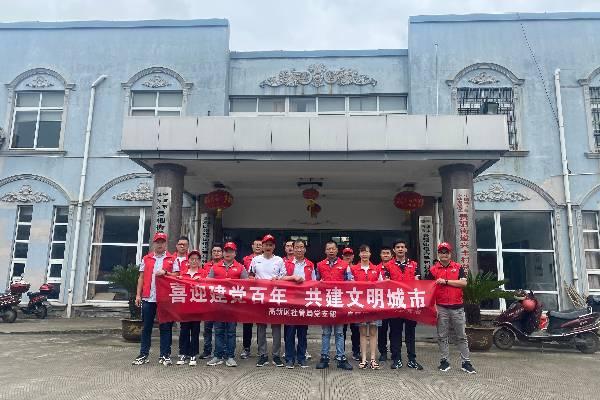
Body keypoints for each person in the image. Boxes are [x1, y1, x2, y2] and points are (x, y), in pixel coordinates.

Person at [427, 242, 476, 374]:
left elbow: (463, 283)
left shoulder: (458, 267)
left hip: (457, 307)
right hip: (441, 307)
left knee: (461, 336)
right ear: (438, 254)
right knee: (442, 336)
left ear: (450, 254)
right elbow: (427, 288)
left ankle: (466, 362)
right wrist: (432, 306)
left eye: (446, 252)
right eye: (441, 252)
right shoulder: (433, 270)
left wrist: (446, 282)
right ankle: (444, 361)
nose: (444, 254)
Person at [132, 232, 178, 366]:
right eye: (158, 242)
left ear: (166, 244)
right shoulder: (147, 258)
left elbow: (177, 275)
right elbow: (141, 277)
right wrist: (138, 295)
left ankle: (165, 355)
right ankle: (143, 354)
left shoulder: (172, 259)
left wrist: (166, 272)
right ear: (154, 243)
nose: (160, 244)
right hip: (148, 298)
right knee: (146, 327)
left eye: (162, 242)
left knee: (165, 327)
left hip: (164, 299)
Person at [206, 242, 248, 367]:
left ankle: (230, 356)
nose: (228, 253)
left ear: (235, 253)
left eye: (231, 251)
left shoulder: (240, 268)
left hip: (233, 306)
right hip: (218, 304)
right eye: (226, 251)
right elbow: (207, 282)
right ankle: (218, 356)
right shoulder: (215, 267)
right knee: (218, 331)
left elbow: (246, 285)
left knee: (231, 332)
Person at [315, 241, 353, 370]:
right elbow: (316, 283)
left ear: (337, 250)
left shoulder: (345, 265)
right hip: (325, 303)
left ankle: (341, 358)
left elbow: (350, 283)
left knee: (339, 332)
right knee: (326, 332)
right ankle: (324, 358)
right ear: (325, 251)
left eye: (333, 249)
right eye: (328, 249)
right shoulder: (320, 265)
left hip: (339, 303)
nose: (331, 251)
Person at [386, 240, 423, 370]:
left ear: (406, 249)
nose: (400, 249)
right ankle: (396, 359)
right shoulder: (388, 266)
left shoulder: (414, 265)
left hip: (410, 304)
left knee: (410, 333)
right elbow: (386, 284)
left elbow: (418, 283)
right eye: (398, 247)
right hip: (395, 304)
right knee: (395, 332)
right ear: (394, 250)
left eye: (402, 247)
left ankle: (412, 359)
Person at [249, 234, 286, 367]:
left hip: (275, 297)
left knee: (276, 327)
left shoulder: (279, 260)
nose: (268, 247)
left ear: (274, 246)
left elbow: (284, 277)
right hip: (260, 297)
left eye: (270, 245)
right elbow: (250, 275)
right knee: (261, 327)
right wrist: (252, 279)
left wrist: (278, 279)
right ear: (262, 246)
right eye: (266, 245)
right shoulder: (255, 260)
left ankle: (276, 355)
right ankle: (263, 355)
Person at [281, 239, 315, 368]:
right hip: (290, 301)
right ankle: (289, 358)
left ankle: (301, 358)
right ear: (293, 249)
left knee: (302, 332)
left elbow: (314, 282)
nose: (299, 249)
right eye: (297, 247)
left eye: (301, 247)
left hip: (304, 302)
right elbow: (280, 278)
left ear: (305, 249)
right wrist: (293, 278)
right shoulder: (286, 263)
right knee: (289, 332)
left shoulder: (310, 264)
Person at [350, 244, 383, 370]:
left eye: (366, 252)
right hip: (360, 305)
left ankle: (373, 359)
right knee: (363, 332)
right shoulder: (353, 269)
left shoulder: (377, 269)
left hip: (374, 305)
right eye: (362, 252)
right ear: (359, 254)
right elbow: (350, 286)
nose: (364, 254)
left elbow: (382, 285)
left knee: (374, 332)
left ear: (370, 254)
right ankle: (363, 359)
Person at [176, 250, 205, 366]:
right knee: (184, 330)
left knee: (195, 331)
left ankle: (193, 354)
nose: (194, 261)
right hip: (185, 307)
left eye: (196, 259)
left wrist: (201, 281)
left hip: (197, 307)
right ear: (188, 261)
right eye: (192, 259)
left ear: (199, 261)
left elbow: (208, 287)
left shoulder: (203, 273)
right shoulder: (183, 273)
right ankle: (183, 353)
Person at [198, 243, 223, 360]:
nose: (216, 253)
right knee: (207, 328)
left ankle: (220, 351)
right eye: (214, 251)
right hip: (208, 301)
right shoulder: (206, 266)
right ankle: (207, 350)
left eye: (218, 251)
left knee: (220, 329)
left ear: (222, 253)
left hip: (221, 301)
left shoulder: (225, 265)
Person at [241, 237, 262, 359]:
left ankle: (261, 348)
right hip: (248, 295)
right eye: (256, 244)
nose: (258, 246)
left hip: (261, 294)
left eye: (260, 244)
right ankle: (246, 348)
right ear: (252, 246)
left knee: (261, 323)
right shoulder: (245, 259)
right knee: (247, 323)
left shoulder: (267, 260)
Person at [341, 247, 361, 361]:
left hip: (355, 302)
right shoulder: (339, 268)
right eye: (346, 255)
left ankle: (356, 352)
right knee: (341, 330)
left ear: (353, 256)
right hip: (342, 302)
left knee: (356, 329)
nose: (348, 257)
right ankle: (341, 352)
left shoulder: (357, 268)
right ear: (342, 256)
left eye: (350, 255)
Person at [377, 245, 394, 361]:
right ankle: (382, 352)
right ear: (380, 255)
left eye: (388, 253)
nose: (386, 255)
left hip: (394, 302)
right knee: (381, 329)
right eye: (384, 253)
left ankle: (394, 351)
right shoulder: (376, 268)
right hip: (381, 303)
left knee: (394, 329)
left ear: (392, 255)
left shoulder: (396, 267)